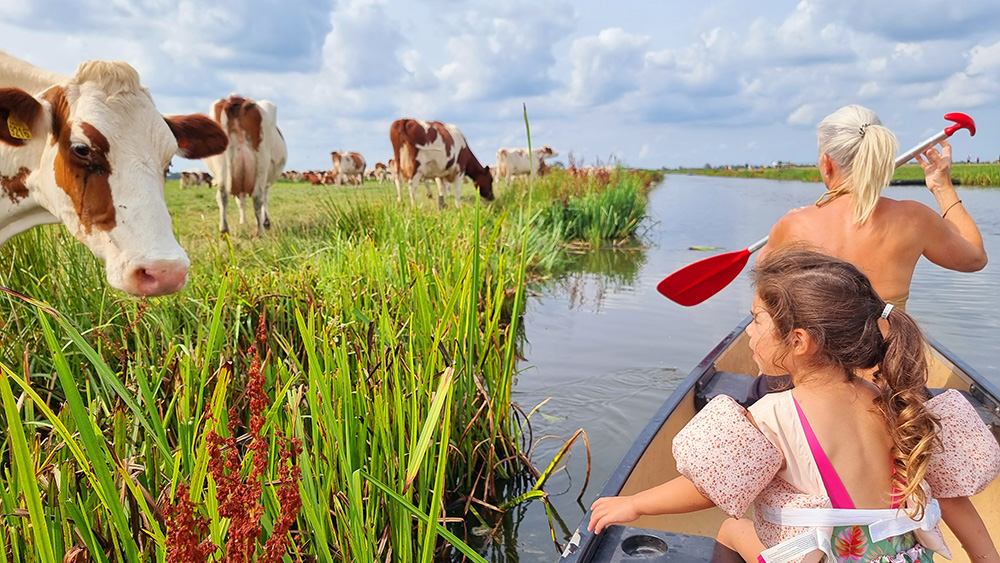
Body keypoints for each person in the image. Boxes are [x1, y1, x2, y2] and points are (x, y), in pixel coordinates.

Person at [589, 251, 1000, 563]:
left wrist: (635, 503)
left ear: (799, 341)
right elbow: (951, 498)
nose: (749, 332)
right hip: (904, 556)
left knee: (733, 529)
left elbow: (708, 487)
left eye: (757, 320)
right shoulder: (897, 404)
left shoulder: (772, 416)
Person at [759, 105, 987, 312]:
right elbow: (975, 258)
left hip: (820, 357)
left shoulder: (795, 225)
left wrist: (784, 230)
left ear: (827, 163)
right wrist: (942, 186)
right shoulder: (915, 218)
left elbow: (762, 280)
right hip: (891, 354)